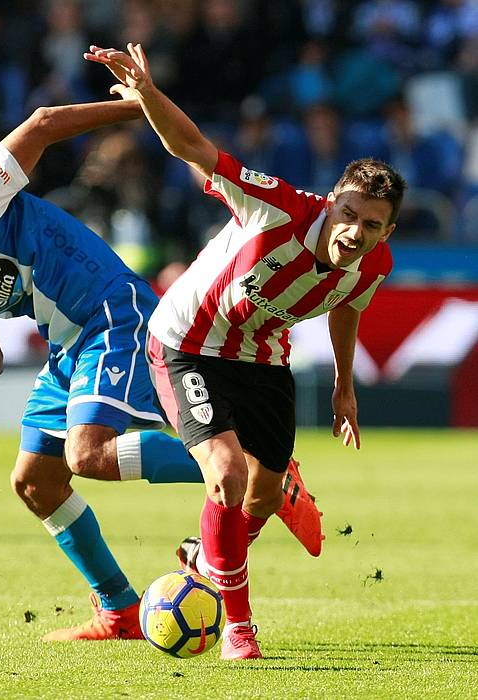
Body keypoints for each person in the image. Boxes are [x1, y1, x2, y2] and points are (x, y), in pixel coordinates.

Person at [0, 94, 321, 643]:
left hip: (115, 313)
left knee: (85, 453)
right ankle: (118, 611)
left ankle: (262, 475)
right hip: (68, 344)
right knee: (35, 481)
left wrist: (142, 108)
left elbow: (42, 125)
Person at [85, 42, 406, 660]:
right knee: (228, 474)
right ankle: (238, 626)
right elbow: (194, 149)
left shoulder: (374, 266)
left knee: (259, 492)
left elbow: (345, 310)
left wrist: (344, 387)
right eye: (348, 214)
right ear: (332, 200)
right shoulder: (275, 206)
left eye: (370, 226)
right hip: (186, 346)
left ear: (386, 233)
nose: (353, 232)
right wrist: (149, 95)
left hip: (262, 356)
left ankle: (205, 557)